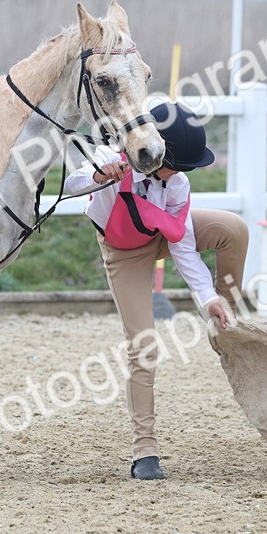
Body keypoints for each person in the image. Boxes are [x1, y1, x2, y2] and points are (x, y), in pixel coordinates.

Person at [64, 103, 249, 481]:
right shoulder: (115, 160)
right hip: (123, 251)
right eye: (177, 165)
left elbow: (182, 246)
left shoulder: (177, 184)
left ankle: (226, 322)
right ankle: (144, 451)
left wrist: (208, 299)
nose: (182, 174)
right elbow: (70, 186)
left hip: (160, 237)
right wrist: (101, 175)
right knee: (143, 346)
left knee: (234, 229)